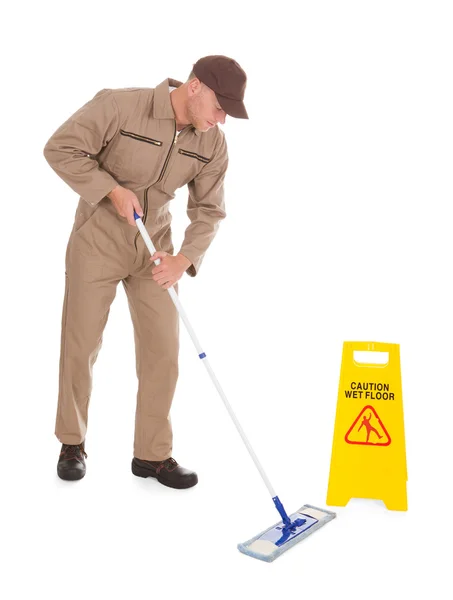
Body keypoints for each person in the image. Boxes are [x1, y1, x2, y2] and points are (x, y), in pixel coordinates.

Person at [43, 55, 248, 487]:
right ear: (195, 86)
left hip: (157, 253)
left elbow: (209, 210)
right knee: (80, 345)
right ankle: (72, 443)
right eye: (219, 106)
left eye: (228, 110)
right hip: (97, 243)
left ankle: (152, 456)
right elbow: (60, 148)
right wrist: (110, 190)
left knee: (163, 353)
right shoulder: (120, 106)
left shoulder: (212, 142)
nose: (221, 118)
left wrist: (185, 259)